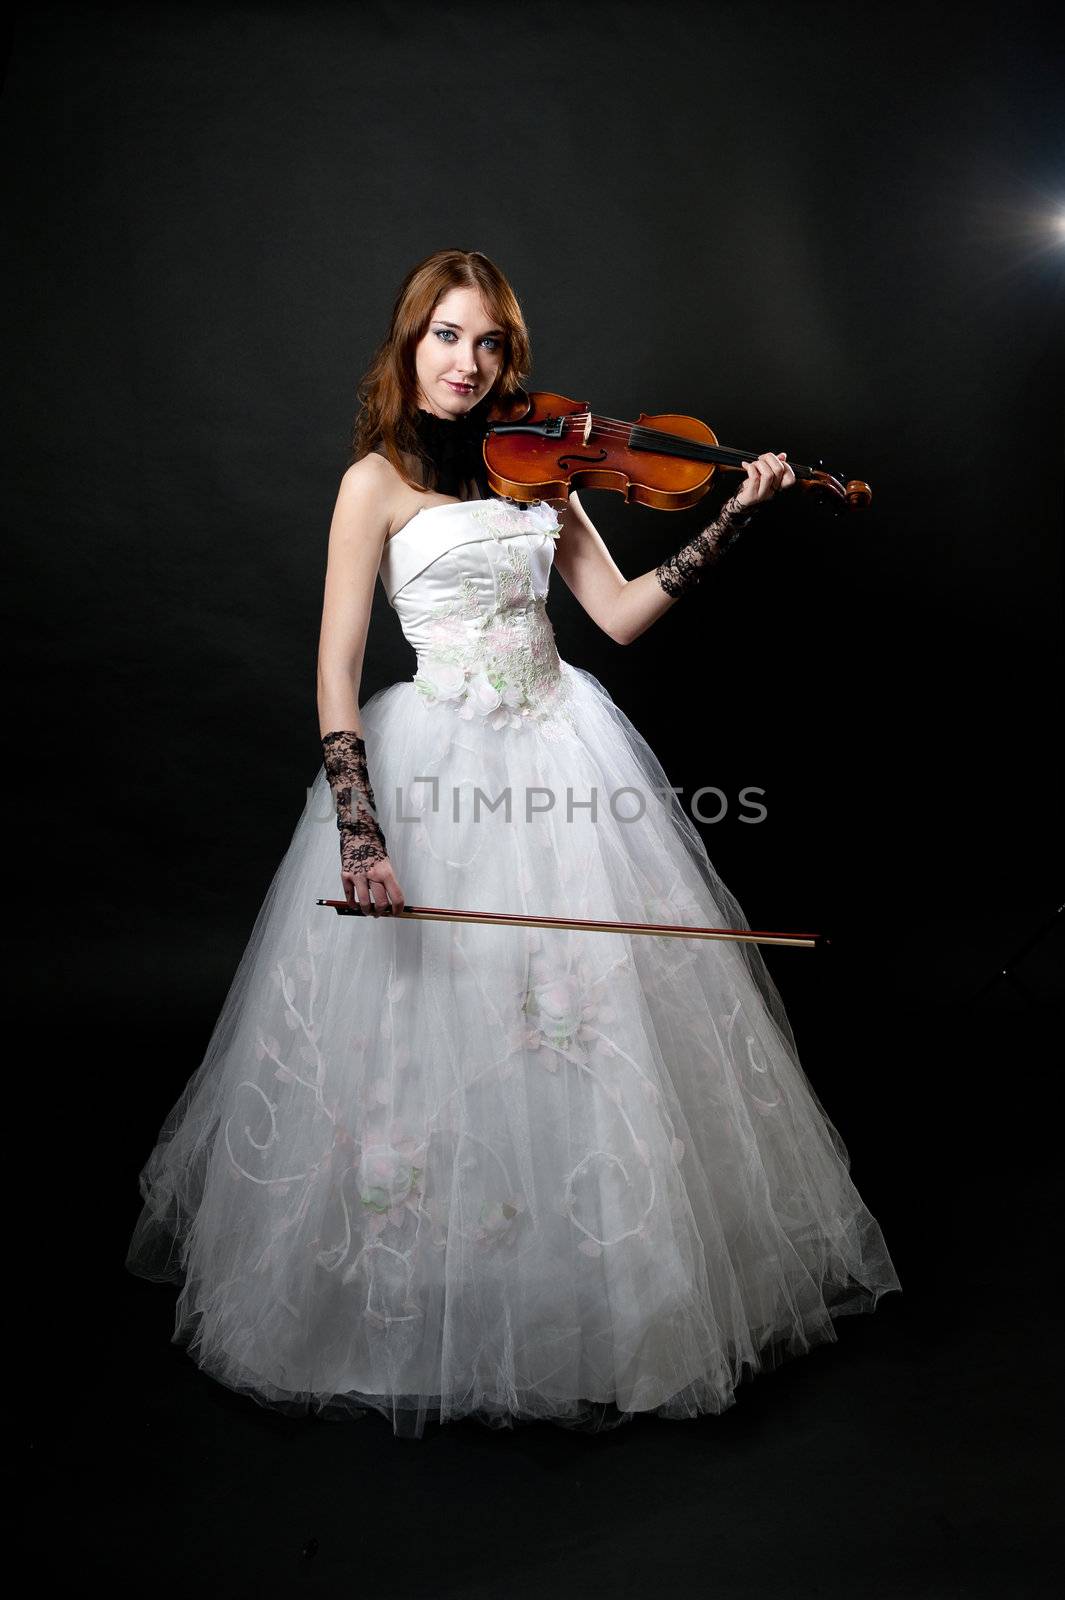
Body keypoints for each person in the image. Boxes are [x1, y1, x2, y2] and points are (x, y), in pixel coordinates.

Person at [126, 248, 901, 1439]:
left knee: (583, 1042)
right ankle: (440, 1295)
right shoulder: (372, 484)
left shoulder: (542, 471)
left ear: (509, 358)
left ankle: (586, 1299)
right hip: (435, 767)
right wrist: (360, 829)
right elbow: (336, 668)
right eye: (445, 336)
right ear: (409, 344)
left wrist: (735, 517)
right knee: (432, 1049)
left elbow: (623, 618)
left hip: (560, 749)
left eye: (488, 343)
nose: (467, 362)